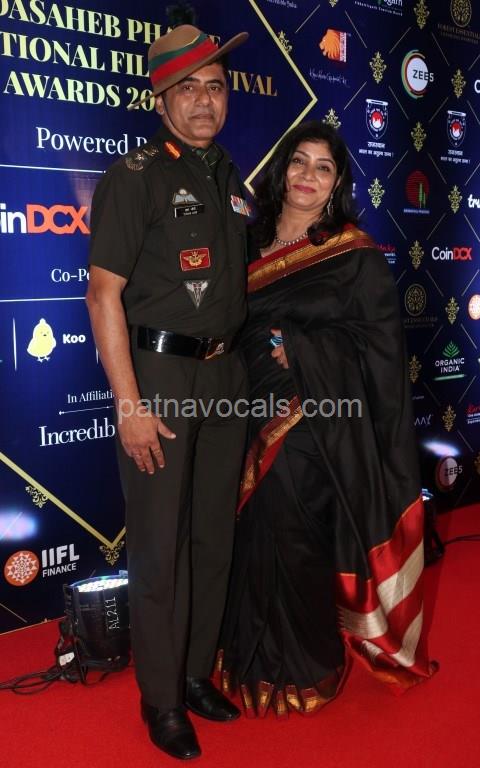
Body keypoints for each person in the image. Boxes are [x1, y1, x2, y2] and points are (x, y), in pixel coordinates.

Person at [217, 121, 437, 718]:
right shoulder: (245, 242)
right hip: (239, 412)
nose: (307, 176)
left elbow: (380, 347)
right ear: (281, 169)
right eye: (299, 161)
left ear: (338, 183)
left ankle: (305, 668)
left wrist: (306, 350)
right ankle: (245, 659)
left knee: (292, 536)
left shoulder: (352, 254)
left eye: (323, 167)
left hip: (313, 421)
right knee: (247, 535)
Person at [86, 24, 250, 760]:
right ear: (161, 100)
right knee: (160, 546)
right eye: (188, 89)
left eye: (215, 86)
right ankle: (161, 700)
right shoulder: (136, 175)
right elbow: (102, 295)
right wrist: (130, 404)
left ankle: (193, 673)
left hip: (225, 375)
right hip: (160, 378)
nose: (204, 101)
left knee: (213, 537)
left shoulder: (230, 178)